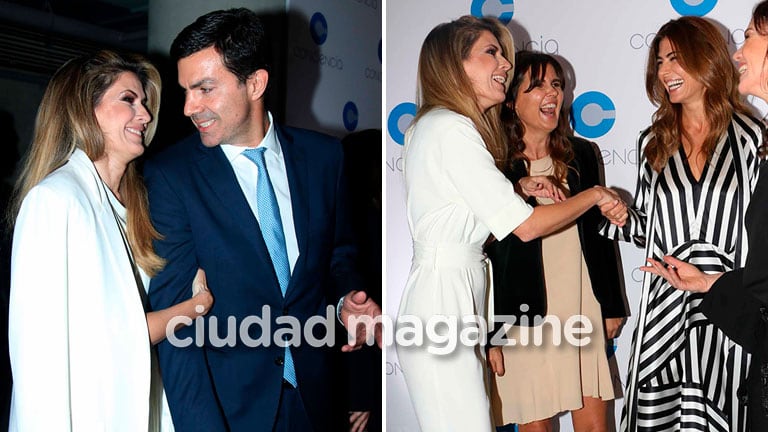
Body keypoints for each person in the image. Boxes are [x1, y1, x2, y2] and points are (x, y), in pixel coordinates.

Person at [144, 8, 381, 432]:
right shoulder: (171, 176)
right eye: (185, 91)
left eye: (204, 89)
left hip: (316, 401)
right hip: (230, 413)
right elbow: (176, 322)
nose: (188, 107)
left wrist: (347, 301)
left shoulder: (325, 158)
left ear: (255, 83)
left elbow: (339, 254)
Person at [395, 15, 627, 432]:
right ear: (455, 64)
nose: (504, 62)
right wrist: (593, 196)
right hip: (449, 297)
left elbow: (461, 203)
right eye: (491, 52)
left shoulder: (440, 127)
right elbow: (523, 228)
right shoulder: (452, 128)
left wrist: (518, 186)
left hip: (456, 295)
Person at [6, 50, 213, 431]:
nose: (146, 116)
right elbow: (38, 356)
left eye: (145, 104)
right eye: (128, 100)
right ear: (87, 108)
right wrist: (196, 307)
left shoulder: (134, 207)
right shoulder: (55, 200)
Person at [600, 16, 766, 432]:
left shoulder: (750, 136)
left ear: (705, 57)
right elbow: (649, 233)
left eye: (674, 58)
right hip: (666, 310)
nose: (663, 71)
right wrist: (620, 216)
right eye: (659, 61)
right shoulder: (653, 141)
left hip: (726, 305)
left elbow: (760, 233)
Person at [485, 50, 628, 432]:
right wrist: (489, 334)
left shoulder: (582, 153)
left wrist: (611, 303)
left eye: (557, 85)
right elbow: (486, 255)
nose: (552, 94)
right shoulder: (493, 163)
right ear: (512, 98)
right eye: (538, 85)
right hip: (523, 318)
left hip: (582, 305)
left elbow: (601, 237)